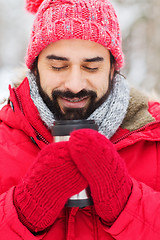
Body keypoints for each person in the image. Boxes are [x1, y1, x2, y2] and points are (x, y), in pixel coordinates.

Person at [0, 0, 160, 239]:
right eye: (57, 66)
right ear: (34, 67)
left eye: (91, 68)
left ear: (112, 67)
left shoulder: (153, 137)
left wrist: (128, 203)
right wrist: (23, 212)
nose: (75, 85)